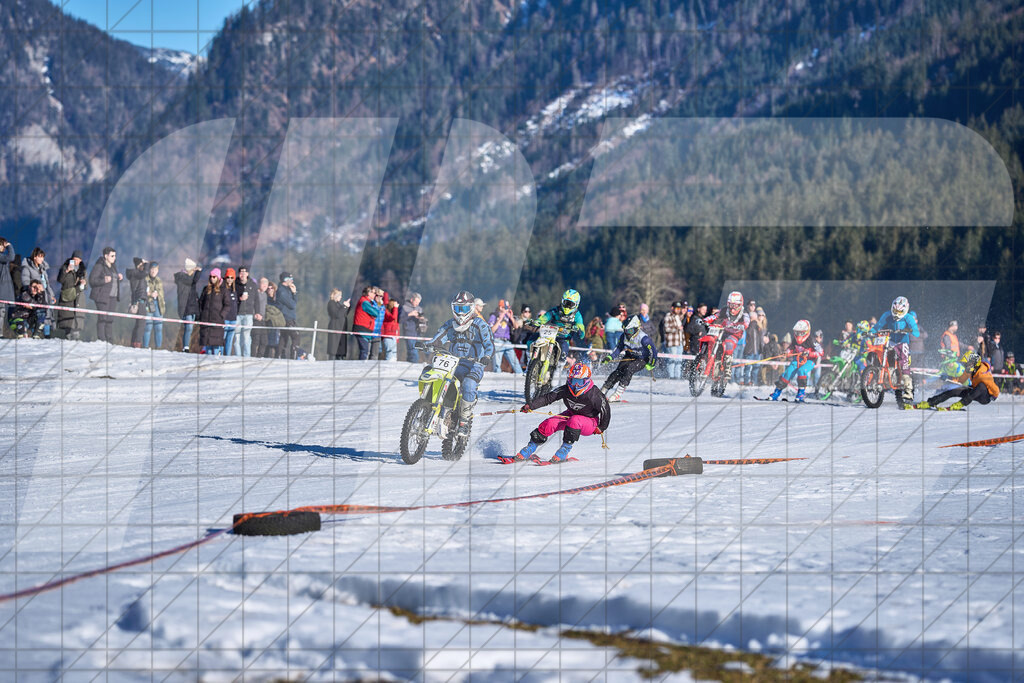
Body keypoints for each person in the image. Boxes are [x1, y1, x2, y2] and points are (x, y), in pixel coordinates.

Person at [424, 290, 495, 437]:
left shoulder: (479, 325)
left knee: (469, 384)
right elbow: (439, 337)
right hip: (454, 362)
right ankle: (430, 409)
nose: (460, 313)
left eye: (463, 309)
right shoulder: (451, 324)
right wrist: (429, 344)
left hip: (475, 364)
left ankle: (464, 421)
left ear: (471, 308)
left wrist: (487, 356)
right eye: (457, 308)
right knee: (437, 376)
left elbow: (489, 343)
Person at [511, 362, 611, 464]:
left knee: (575, 420)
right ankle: (530, 448)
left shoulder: (594, 394)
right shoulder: (566, 389)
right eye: (573, 381)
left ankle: (564, 451)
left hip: (590, 422)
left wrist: (602, 427)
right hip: (571, 414)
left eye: (579, 382)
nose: (575, 385)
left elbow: (606, 409)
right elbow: (548, 398)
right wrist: (531, 406)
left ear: (586, 381)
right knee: (550, 422)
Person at [870, 296, 920, 403]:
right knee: (881, 354)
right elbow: (878, 325)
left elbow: (916, 332)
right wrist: (871, 331)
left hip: (903, 342)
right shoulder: (887, 315)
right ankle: (882, 375)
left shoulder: (908, 317)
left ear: (905, 309)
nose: (896, 313)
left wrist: (909, 329)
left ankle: (908, 391)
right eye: (895, 310)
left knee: (904, 364)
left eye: (899, 311)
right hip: (890, 340)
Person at [600, 314, 657, 402]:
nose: (627, 333)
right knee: (618, 371)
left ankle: (617, 394)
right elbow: (618, 348)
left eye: (629, 331)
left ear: (635, 328)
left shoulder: (644, 339)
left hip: (642, 359)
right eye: (625, 330)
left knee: (629, 370)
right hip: (629, 356)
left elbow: (653, 352)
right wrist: (609, 357)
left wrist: (651, 363)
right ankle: (603, 390)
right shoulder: (623, 336)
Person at [918, 351, 998, 410]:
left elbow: (995, 389)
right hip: (973, 391)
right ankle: (931, 402)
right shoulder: (969, 370)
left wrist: (994, 396)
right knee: (954, 391)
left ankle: (961, 403)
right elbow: (960, 380)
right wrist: (948, 378)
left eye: (967, 364)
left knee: (981, 386)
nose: (966, 365)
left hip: (984, 397)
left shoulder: (983, 374)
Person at [767, 320, 821, 402]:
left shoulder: (812, 341)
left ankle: (801, 394)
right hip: (798, 360)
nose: (798, 335)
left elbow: (820, 352)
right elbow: (791, 348)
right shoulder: (795, 340)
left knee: (801, 371)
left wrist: (809, 353)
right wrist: (787, 352)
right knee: (787, 373)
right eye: (797, 332)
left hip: (809, 361)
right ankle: (776, 393)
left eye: (800, 333)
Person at [699, 291, 749, 379]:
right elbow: (715, 316)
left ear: (740, 304)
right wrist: (705, 320)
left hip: (735, 334)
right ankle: (703, 357)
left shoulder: (744, 313)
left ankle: (727, 369)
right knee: (712, 339)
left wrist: (742, 325)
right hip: (723, 331)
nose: (733, 308)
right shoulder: (725, 310)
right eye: (731, 305)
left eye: (735, 305)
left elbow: (747, 322)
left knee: (729, 344)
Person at [534, 288, 586, 369]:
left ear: (576, 305)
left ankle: (556, 374)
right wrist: (536, 322)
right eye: (565, 303)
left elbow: (581, 329)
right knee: (533, 342)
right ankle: (530, 366)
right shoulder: (555, 310)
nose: (567, 306)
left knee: (563, 356)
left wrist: (578, 329)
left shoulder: (577, 315)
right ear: (562, 301)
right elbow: (545, 317)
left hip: (563, 338)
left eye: (570, 304)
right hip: (549, 334)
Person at [88, 246, 123, 343]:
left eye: (115, 256)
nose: (114, 258)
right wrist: (104, 280)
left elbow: (113, 280)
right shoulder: (99, 266)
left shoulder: (113, 267)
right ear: (105, 256)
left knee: (110, 319)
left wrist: (119, 278)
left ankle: (109, 340)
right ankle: (102, 340)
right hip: (101, 296)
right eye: (112, 256)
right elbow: (92, 280)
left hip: (113, 297)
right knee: (102, 318)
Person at [21, 247, 56, 336]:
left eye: (43, 257)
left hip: (46, 296)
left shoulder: (43, 269)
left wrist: (51, 295)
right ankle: (35, 336)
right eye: (40, 257)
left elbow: (47, 284)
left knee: (47, 316)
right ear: (34, 257)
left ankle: (47, 336)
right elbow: (25, 282)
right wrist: (35, 288)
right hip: (35, 296)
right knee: (36, 316)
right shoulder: (27, 268)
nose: (42, 259)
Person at [198, 268, 231, 355]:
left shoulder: (224, 290)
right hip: (206, 322)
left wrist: (221, 315)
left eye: (214, 277)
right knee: (208, 347)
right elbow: (201, 303)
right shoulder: (206, 289)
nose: (212, 278)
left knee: (216, 348)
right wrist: (201, 315)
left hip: (217, 322)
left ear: (218, 278)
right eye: (211, 277)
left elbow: (227, 305)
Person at [56, 250, 87, 339]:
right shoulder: (65, 267)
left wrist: (83, 283)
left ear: (80, 260)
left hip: (79, 299)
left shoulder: (83, 270)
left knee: (77, 326)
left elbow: (86, 284)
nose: (76, 261)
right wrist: (67, 270)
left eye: (78, 259)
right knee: (68, 326)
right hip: (67, 298)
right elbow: (60, 280)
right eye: (74, 259)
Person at [488, 299, 523, 374]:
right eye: (506, 308)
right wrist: (500, 319)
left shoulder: (508, 316)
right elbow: (492, 330)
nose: (508, 309)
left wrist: (511, 317)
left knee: (515, 362)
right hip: (497, 341)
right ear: (501, 308)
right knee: (497, 364)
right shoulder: (494, 316)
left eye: (508, 307)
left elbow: (516, 326)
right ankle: (497, 378)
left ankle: (520, 375)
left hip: (507, 342)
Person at [174, 258, 202, 352]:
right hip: (186, 307)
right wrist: (198, 272)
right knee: (188, 327)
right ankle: (185, 347)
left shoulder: (189, 280)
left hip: (192, 307)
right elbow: (193, 280)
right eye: (193, 269)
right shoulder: (182, 277)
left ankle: (186, 346)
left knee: (189, 329)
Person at [232, 266, 258, 357]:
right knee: (237, 337)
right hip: (237, 314)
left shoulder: (253, 285)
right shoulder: (234, 284)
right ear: (238, 274)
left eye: (244, 272)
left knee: (247, 337)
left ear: (247, 273)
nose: (242, 274)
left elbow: (257, 300)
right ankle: (238, 356)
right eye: (241, 272)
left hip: (248, 314)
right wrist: (239, 299)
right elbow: (230, 298)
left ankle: (247, 356)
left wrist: (257, 312)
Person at [352, 286, 381, 360]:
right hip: (362, 330)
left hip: (365, 330)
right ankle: (362, 367)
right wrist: (377, 306)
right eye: (374, 293)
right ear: (369, 293)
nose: (375, 295)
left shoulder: (367, 302)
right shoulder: (364, 302)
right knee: (364, 351)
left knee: (365, 351)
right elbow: (376, 313)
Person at [125, 257, 149, 347]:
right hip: (140, 301)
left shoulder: (137, 274)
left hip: (139, 300)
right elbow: (146, 273)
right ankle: (137, 343)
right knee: (141, 324)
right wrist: (146, 263)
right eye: (142, 265)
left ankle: (134, 343)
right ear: (139, 265)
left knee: (138, 323)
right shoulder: (136, 273)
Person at [275, 272, 298, 360]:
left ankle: (279, 356)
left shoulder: (287, 290)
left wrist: (294, 293)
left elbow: (293, 304)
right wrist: (294, 293)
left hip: (289, 317)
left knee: (284, 338)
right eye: (290, 279)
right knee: (296, 336)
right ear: (285, 280)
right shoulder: (282, 291)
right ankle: (293, 357)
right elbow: (292, 305)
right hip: (286, 318)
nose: (292, 281)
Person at [142, 262, 165, 349]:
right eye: (152, 269)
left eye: (155, 269)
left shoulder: (159, 280)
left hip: (158, 305)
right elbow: (142, 291)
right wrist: (150, 294)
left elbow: (162, 294)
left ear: (158, 270)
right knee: (148, 326)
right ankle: (145, 346)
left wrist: (158, 295)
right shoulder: (145, 279)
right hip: (148, 304)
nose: (153, 271)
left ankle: (158, 347)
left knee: (159, 327)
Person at [662, 301, 686, 380]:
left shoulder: (678, 317)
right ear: (672, 308)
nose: (678, 310)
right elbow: (666, 329)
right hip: (672, 343)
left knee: (679, 361)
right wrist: (676, 328)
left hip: (680, 342)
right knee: (672, 360)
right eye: (677, 308)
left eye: (679, 308)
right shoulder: (668, 316)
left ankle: (677, 377)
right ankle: (671, 376)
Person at [399, 292, 424, 362]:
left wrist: (421, 318)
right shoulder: (404, 307)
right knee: (413, 352)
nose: (417, 304)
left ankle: (409, 366)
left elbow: (422, 320)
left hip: (418, 333)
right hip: (408, 333)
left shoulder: (419, 309)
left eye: (419, 302)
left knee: (412, 352)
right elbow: (400, 320)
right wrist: (410, 314)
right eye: (416, 302)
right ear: (411, 299)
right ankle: (414, 366)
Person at [326, 289, 350, 360]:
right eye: (340, 295)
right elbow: (337, 314)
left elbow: (343, 314)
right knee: (334, 352)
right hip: (335, 330)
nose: (341, 297)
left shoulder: (338, 304)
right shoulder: (331, 303)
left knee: (340, 353)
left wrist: (347, 307)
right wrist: (344, 306)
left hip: (341, 330)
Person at [221, 268, 239, 355]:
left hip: (233, 318)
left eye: (232, 277)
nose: (230, 279)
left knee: (229, 340)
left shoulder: (235, 291)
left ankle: (227, 356)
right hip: (225, 318)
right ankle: (219, 354)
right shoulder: (222, 289)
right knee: (221, 339)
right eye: (228, 277)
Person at [251, 277, 270, 358]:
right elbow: (250, 305)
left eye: (266, 283)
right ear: (259, 284)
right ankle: (252, 356)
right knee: (256, 340)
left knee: (264, 341)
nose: (265, 285)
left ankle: (259, 357)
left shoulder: (265, 295)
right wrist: (254, 314)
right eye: (263, 283)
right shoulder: (255, 293)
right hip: (256, 319)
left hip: (263, 320)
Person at [0, 237, 15, 330]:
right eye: (2, 245)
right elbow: (11, 257)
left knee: (4, 313)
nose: (4, 247)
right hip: (2, 290)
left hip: (5, 290)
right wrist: (9, 246)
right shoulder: (1, 257)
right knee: (1, 312)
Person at [381, 293, 400, 361]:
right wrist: (395, 308)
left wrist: (397, 337)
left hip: (393, 336)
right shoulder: (386, 312)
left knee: (394, 354)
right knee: (389, 354)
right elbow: (393, 317)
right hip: (387, 335)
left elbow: (396, 325)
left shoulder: (395, 311)